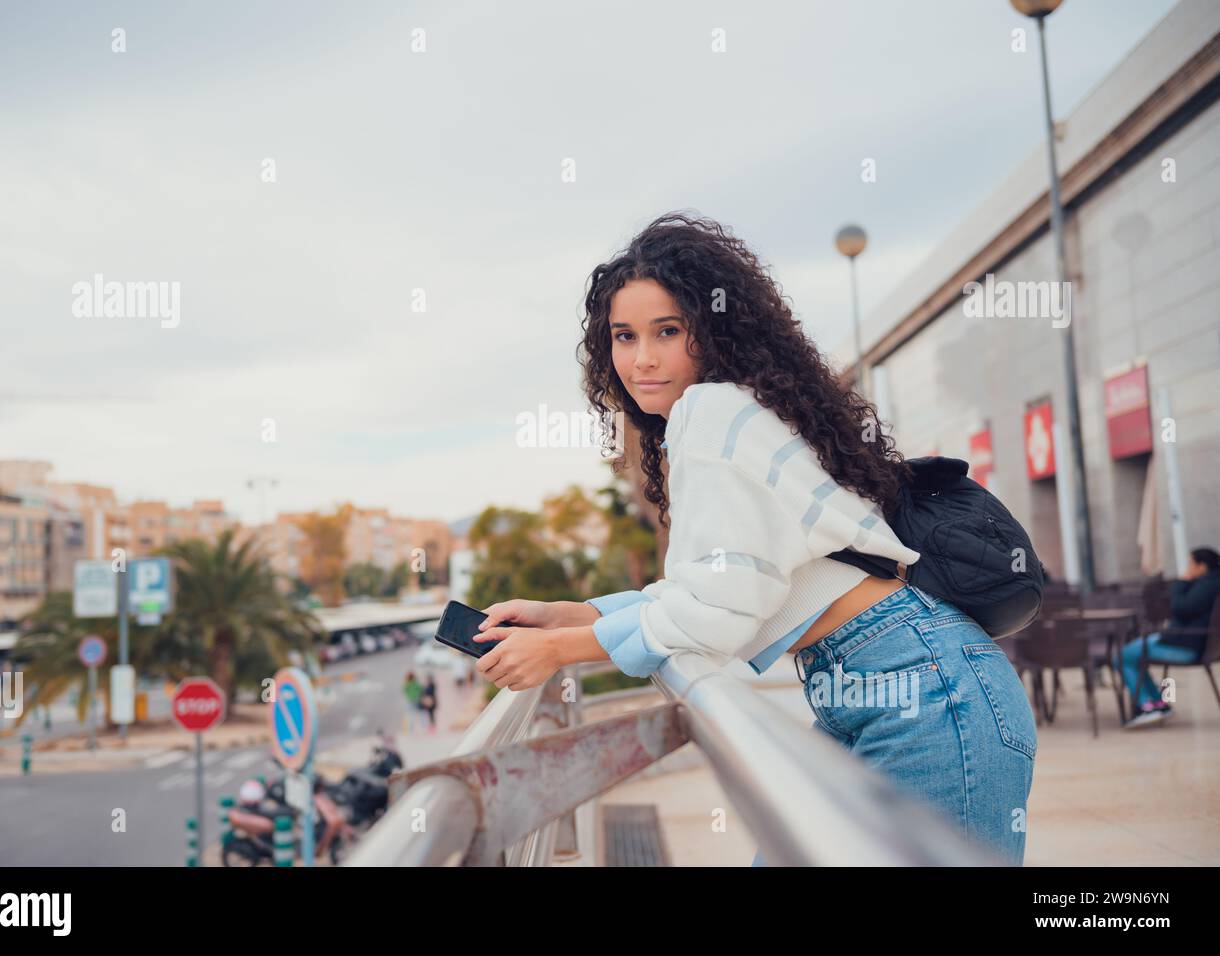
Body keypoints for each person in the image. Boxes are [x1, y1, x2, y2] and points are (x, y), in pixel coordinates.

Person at [469, 212, 1036, 866]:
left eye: (668, 331)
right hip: (885, 688)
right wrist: (579, 614)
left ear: (713, 331)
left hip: (927, 695)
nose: (641, 358)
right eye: (624, 336)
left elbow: (718, 614)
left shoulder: (712, 414)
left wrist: (563, 650)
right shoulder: (727, 414)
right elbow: (712, 585)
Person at [1121, 546, 1220, 729]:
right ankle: (1158, 704)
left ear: (1202, 566)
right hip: (1191, 642)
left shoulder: (1208, 585)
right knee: (1132, 650)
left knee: (1123, 656)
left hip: (1187, 647)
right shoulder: (1210, 583)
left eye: (1190, 563)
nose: (1187, 568)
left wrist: (1181, 583)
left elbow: (1180, 608)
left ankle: (1148, 706)